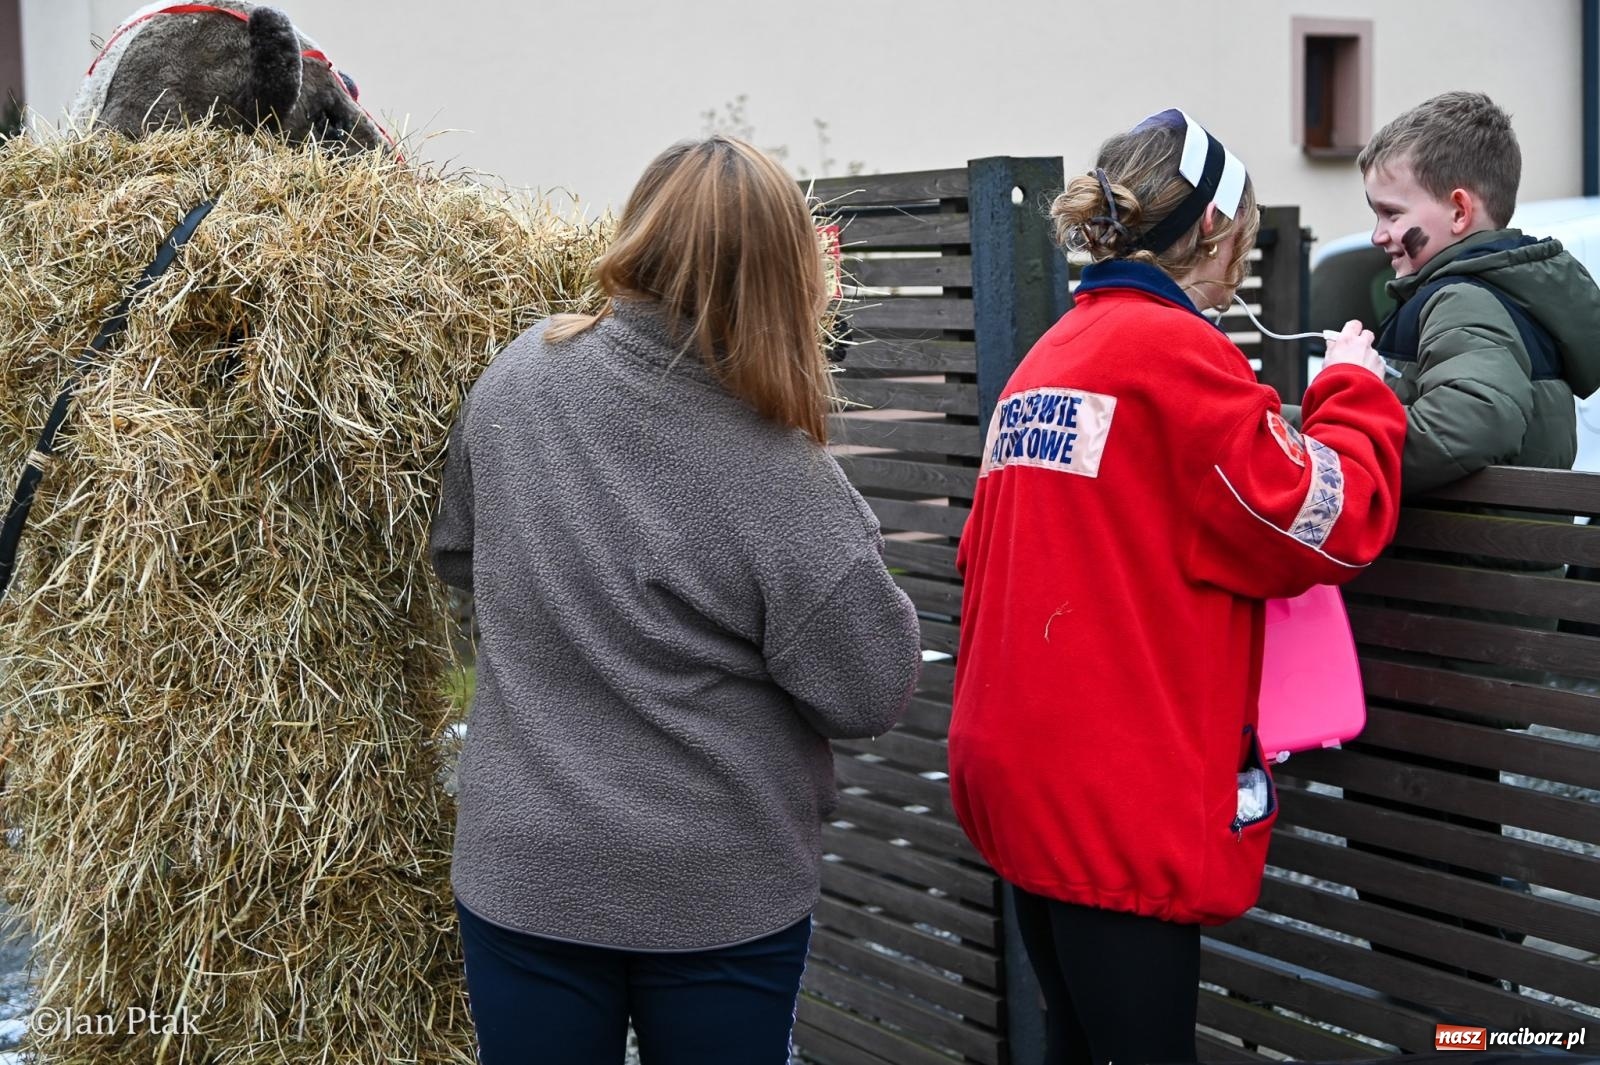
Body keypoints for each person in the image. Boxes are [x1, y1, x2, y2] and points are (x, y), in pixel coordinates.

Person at [429, 135, 922, 1065]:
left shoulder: (519, 375)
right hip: (717, 890)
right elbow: (870, 692)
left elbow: (460, 550)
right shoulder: (786, 476)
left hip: (527, 866)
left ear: (639, 237)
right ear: (789, 277)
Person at [947, 108, 1407, 1065]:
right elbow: (1325, 520)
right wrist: (1355, 390)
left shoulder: (1049, 360)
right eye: (1241, 236)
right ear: (1210, 230)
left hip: (1025, 781)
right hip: (1112, 803)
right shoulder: (1174, 355)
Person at [1360, 90, 1600, 493]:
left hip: (1449, 555)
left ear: (1459, 211)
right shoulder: (1493, 293)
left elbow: (1467, 425)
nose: (1377, 235)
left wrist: (1344, 429)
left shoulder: (1463, 299)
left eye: (1391, 213)